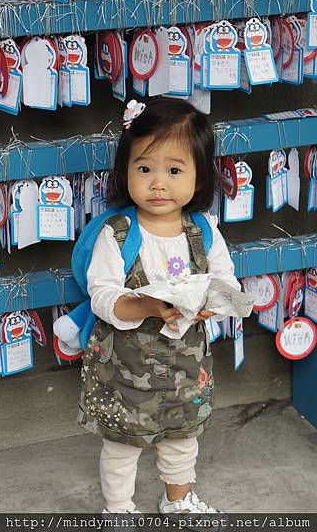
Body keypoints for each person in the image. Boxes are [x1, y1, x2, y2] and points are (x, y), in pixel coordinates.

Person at [77, 98, 241, 515]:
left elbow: (226, 283)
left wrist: (211, 305)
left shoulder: (204, 231)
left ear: (199, 177)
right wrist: (145, 306)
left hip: (187, 368)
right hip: (126, 370)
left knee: (183, 437)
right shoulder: (117, 234)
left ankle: (178, 500)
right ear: (125, 171)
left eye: (174, 171)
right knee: (122, 444)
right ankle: (118, 509)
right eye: (145, 169)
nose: (158, 184)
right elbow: (103, 296)